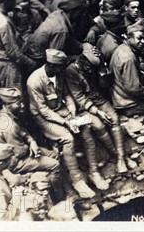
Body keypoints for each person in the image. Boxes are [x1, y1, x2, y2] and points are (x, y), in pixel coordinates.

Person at [27, 49, 100, 198]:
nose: (63, 70)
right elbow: (43, 110)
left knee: (85, 130)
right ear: (51, 65)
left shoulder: (58, 74)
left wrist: (73, 114)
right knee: (68, 138)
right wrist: (66, 122)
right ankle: (77, 180)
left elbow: (66, 95)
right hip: (43, 117)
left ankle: (94, 172)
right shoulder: (34, 81)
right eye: (61, 67)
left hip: (61, 110)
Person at [60, 44, 137, 174]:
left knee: (114, 118)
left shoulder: (95, 67)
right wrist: (97, 112)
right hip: (84, 107)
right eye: (88, 67)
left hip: (99, 100)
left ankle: (121, 160)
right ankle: (120, 157)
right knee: (100, 126)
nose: (90, 70)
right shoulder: (71, 71)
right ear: (81, 61)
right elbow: (79, 98)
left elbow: (105, 85)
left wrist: (102, 69)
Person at [0, 87, 60, 175]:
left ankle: (58, 184)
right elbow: (19, 152)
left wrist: (31, 141)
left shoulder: (8, 113)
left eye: (21, 101)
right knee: (55, 165)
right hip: (12, 162)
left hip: (20, 152)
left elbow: (21, 131)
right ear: (8, 104)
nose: (22, 105)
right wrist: (30, 147)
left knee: (55, 155)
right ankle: (56, 188)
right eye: (18, 103)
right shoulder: (8, 125)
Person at [0, 0, 37, 89]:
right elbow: (13, 52)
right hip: (9, 67)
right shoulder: (4, 23)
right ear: (5, 2)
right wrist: (31, 63)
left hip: (1, 62)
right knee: (14, 98)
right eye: (13, 1)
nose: (15, 4)